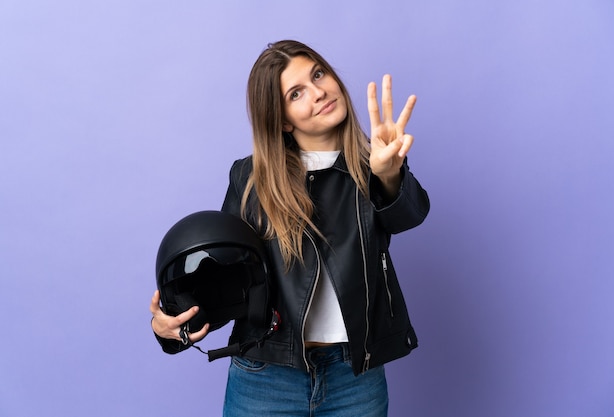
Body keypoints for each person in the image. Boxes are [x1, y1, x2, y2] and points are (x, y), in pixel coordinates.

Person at [150, 39, 430, 416]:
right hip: (266, 375)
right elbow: (227, 277)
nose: (318, 93)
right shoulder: (249, 178)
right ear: (282, 119)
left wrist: (389, 174)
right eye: (296, 93)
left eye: (318, 74)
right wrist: (172, 327)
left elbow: (410, 216)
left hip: (356, 378)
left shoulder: (374, 164)